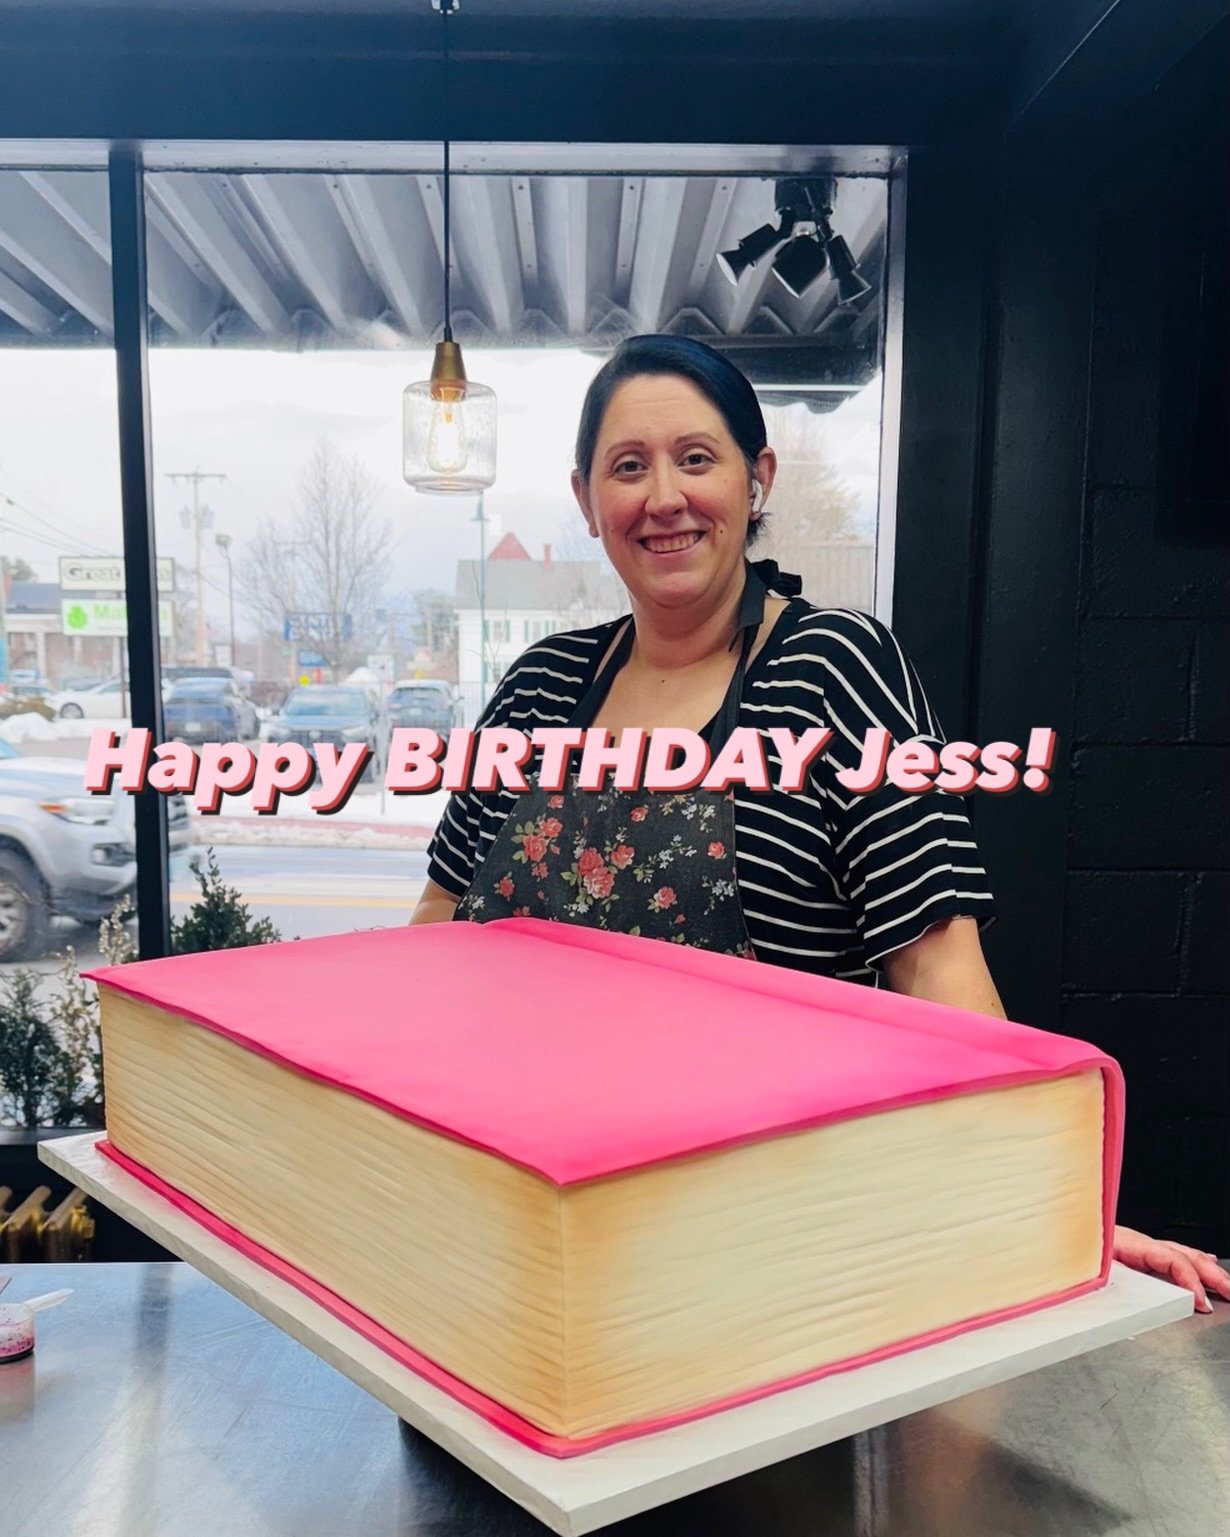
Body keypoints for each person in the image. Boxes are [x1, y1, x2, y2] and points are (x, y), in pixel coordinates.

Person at [412, 333, 1229, 1312]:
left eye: (697, 458)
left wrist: (1057, 1205)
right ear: (588, 499)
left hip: (766, 1247)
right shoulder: (538, 690)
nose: (664, 496)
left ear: (756, 478)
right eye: (628, 467)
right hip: (516, 1229)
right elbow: (435, 933)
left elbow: (937, 969)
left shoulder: (836, 672)